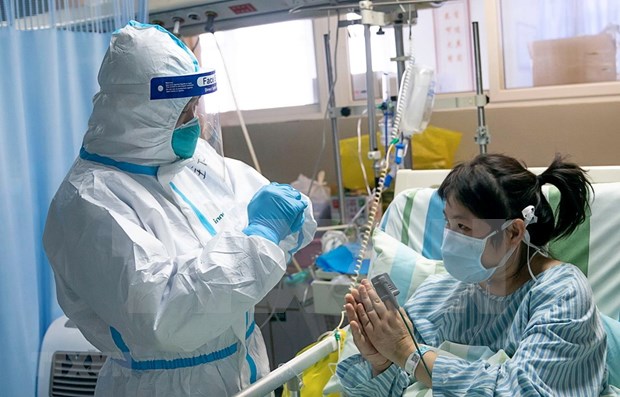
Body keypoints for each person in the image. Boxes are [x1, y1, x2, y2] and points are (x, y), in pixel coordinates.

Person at [43, 21, 316, 396]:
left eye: (195, 106)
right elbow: (168, 317)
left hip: (247, 370)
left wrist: (264, 237)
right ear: (141, 111)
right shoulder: (89, 202)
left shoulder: (190, 159)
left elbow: (295, 222)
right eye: (184, 110)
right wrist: (259, 240)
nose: (196, 120)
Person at [338, 153, 608, 396]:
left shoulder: (561, 293)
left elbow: (524, 390)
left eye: (463, 227)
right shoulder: (442, 292)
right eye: (448, 223)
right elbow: (394, 387)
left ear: (513, 232)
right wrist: (381, 361)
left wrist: (409, 354)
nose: (450, 238)